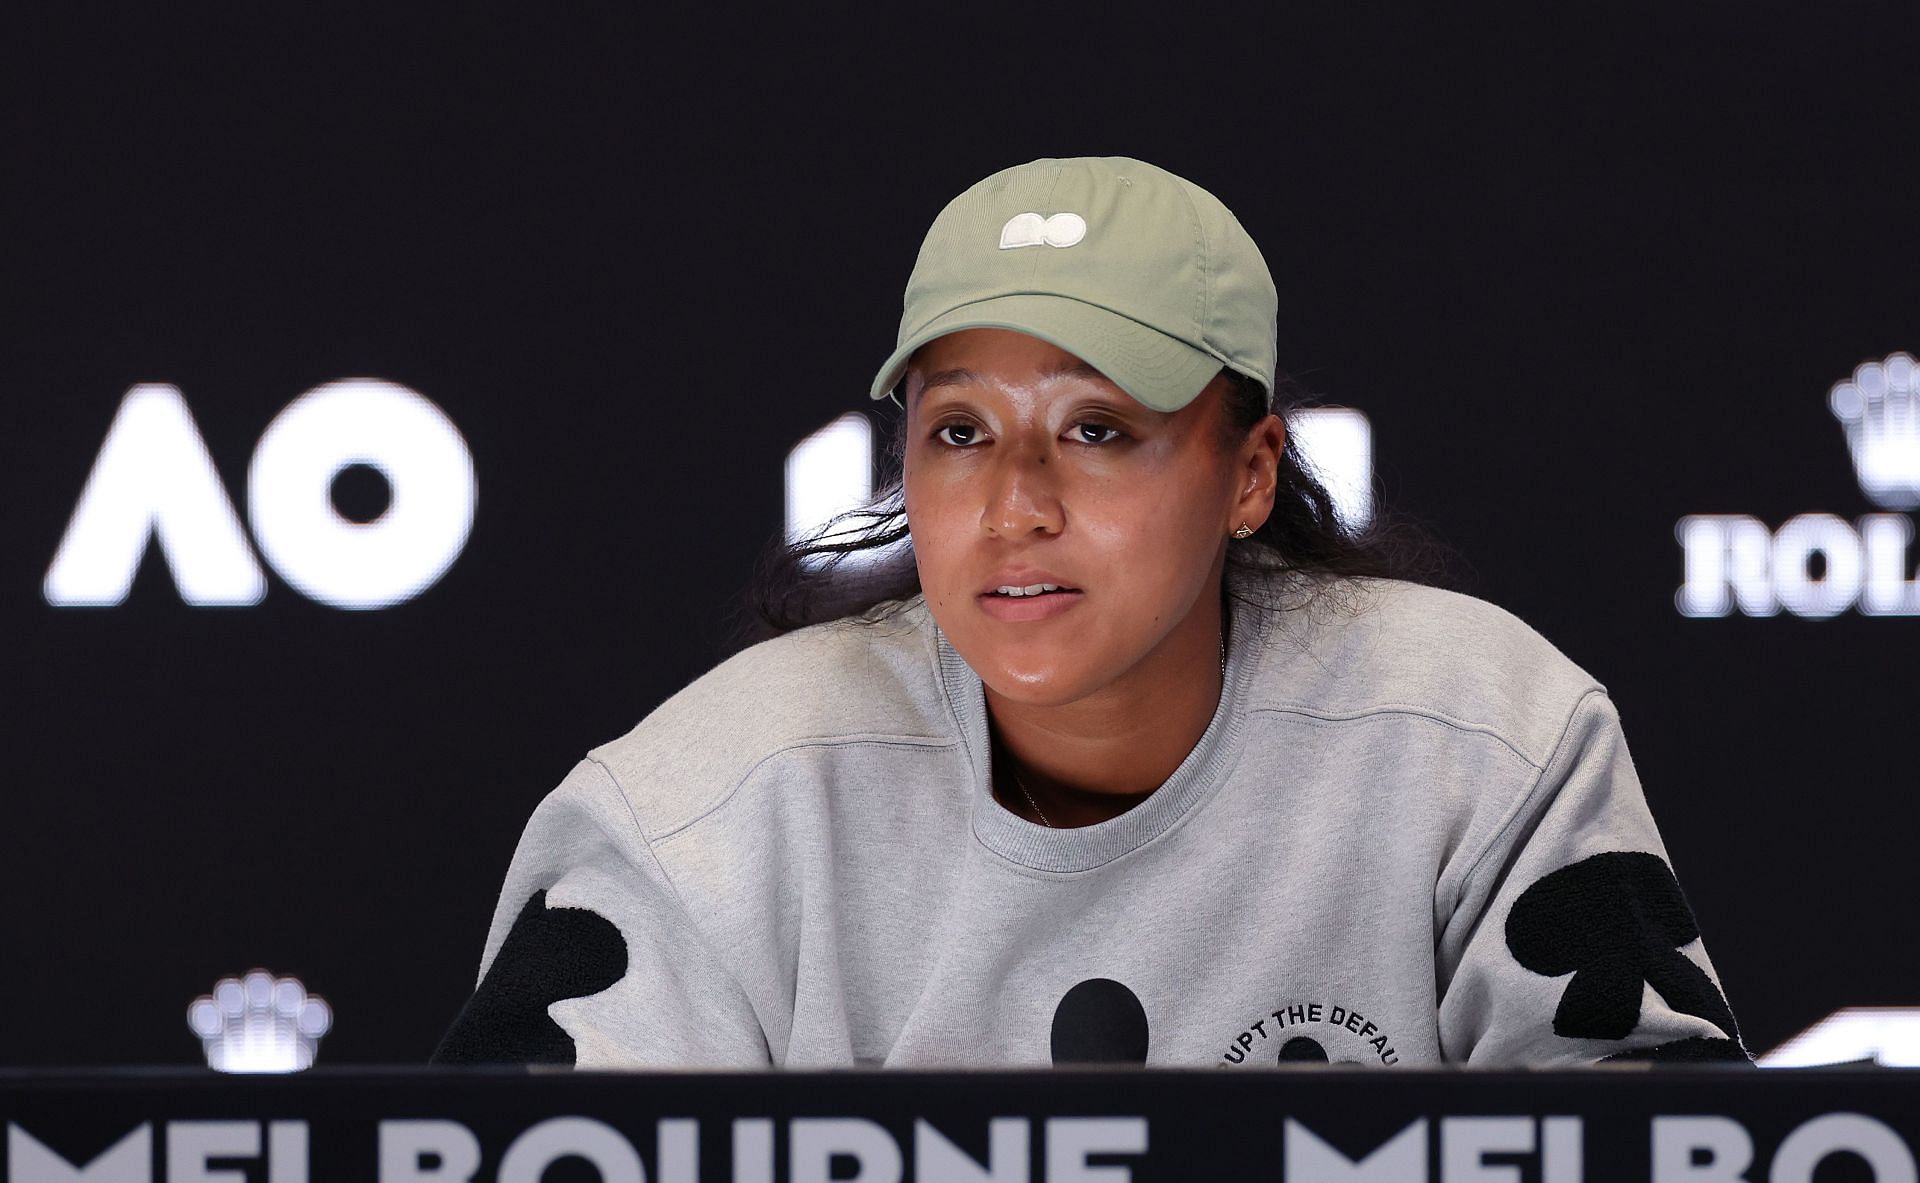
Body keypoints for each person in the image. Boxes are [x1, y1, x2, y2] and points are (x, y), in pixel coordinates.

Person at [434, 156, 1746, 1070]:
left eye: (1098, 429)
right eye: (960, 431)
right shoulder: (700, 806)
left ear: (1248, 473)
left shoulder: (1477, 737)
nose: (1013, 504)